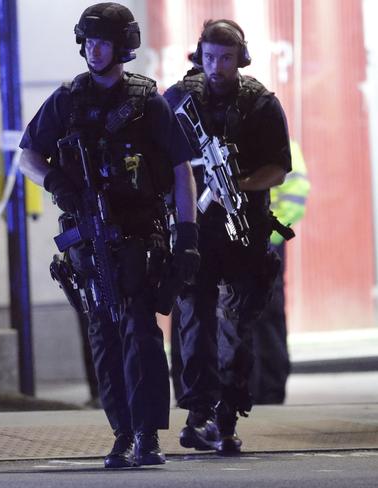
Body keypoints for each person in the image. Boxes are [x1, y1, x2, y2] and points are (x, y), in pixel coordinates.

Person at [20, 2, 198, 468]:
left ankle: (147, 434)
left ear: (123, 47)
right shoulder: (67, 99)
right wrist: (54, 181)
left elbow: (182, 169)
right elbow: (28, 156)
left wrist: (188, 233)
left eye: (102, 42)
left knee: (140, 332)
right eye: (88, 40)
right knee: (103, 335)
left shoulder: (147, 102)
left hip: (139, 233)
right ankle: (121, 432)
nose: (93, 49)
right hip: (88, 238)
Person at [164, 19, 291, 455]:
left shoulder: (260, 104)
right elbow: (160, 159)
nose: (217, 67)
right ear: (200, 56)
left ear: (241, 59)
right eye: (211, 57)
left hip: (244, 228)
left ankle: (227, 416)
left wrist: (239, 185)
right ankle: (197, 413)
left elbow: (279, 166)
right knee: (193, 321)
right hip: (195, 230)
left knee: (237, 323)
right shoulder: (179, 99)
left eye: (227, 59)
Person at [250, 140, 309, 404]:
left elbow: (296, 194)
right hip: (244, 237)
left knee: (268, 314)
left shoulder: (280, 139)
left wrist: (271, 235)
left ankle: (270, 389)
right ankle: (251, 387)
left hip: (267, 239)